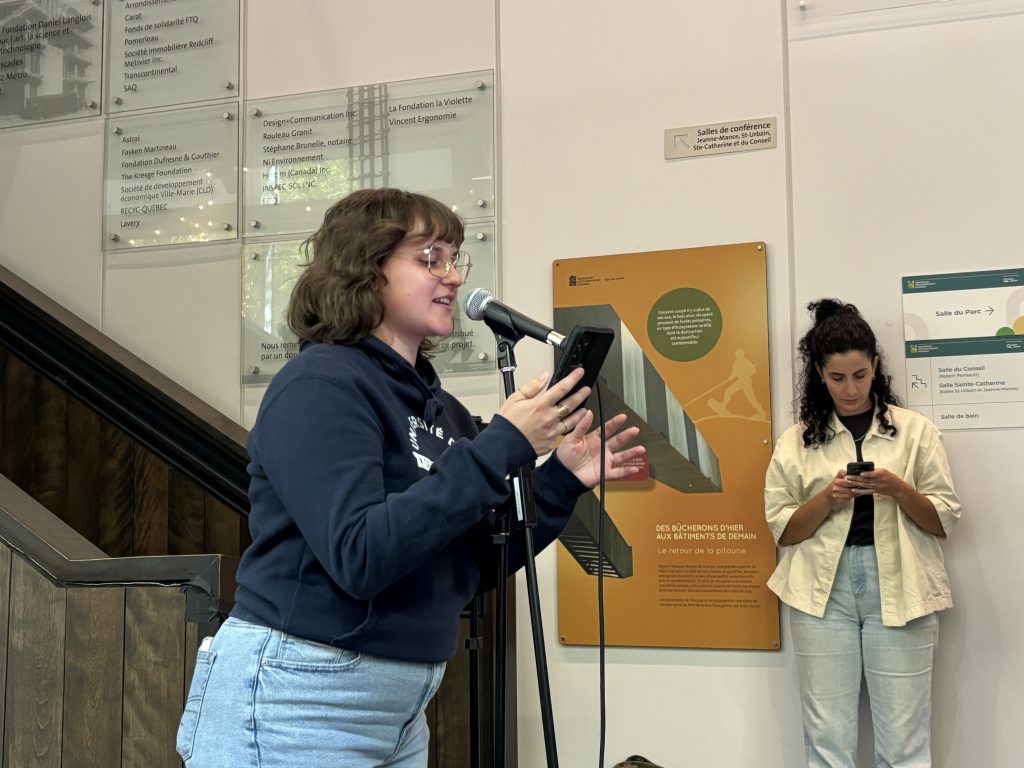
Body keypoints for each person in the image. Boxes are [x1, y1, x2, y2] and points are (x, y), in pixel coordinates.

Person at [175, 188, 644, 768]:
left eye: (454, 258)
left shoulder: (443, 412)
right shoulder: (318, 385)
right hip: (297, 696)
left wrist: (560, 482)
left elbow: (468, 569)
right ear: (366, 270)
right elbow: (360, 555)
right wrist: (500, 445)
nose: (453, 276)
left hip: (400, 708)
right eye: (430, 258)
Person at [764, 299, 961, 768]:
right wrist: (828, 499)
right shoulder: (796, 440)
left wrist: (896, 488)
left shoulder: (915, 432)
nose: (850, 389)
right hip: (820, 590)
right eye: (837, 378)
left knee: (904, 742)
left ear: (875, 366)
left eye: (859, 375)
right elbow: (784, 531)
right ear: (819, 373)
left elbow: (943, 520)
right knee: (826, 739)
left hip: (902, 583)